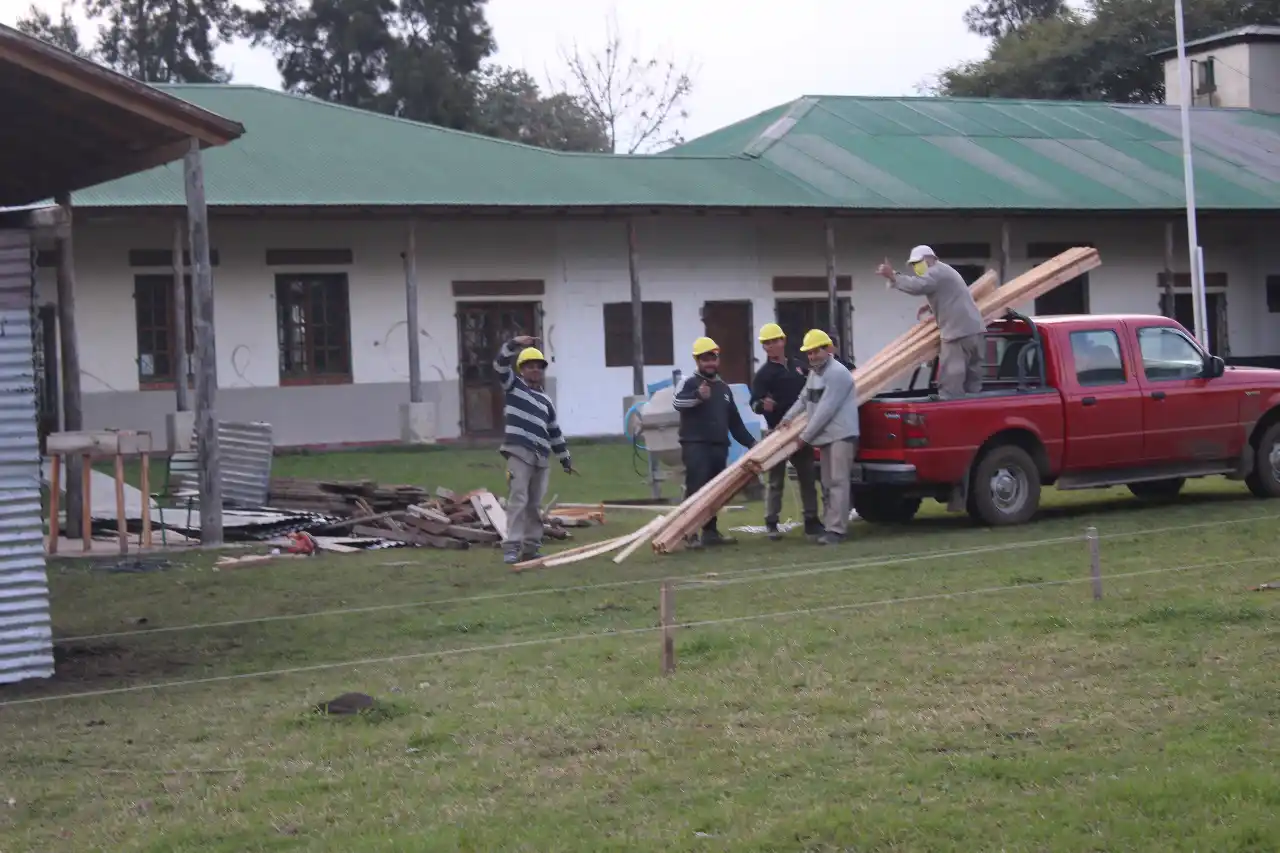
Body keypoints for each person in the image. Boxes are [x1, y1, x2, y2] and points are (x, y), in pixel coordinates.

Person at [493, 335, 573, 564]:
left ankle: (531, 547)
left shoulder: (546, 400)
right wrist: (514, 343)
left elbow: (554, 431)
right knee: (518, 499)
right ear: (521, 369)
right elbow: (499, 364)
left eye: (539, 367)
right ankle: (511, 547)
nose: (535, 370)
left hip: (542, 458)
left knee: (534, 504)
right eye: (530, 367)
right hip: (519, 452)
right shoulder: (513, 386)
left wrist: (565, 459)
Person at [673, 336, 757, 547]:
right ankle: (689, 534)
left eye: (713, 359)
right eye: (704, 359)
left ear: (718, 360)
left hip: (719, 447)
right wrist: (698, 396)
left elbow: (735, 423)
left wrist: (752, 443)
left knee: (715, 492)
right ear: (697, 361)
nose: (709, 363)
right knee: (696, 489)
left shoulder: (723, 388)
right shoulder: (689, 382)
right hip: (696, 446)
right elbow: (677, 403)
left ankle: (710, 533)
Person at [780, 329, 860, 545]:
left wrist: (804, 437)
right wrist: (787, 418)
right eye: (810, 353)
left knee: (838, 482)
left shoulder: (838, 373)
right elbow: (805, 398)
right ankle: (830, 526)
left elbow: (826, 409)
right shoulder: (815, 373)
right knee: (827, 482)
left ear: (829, 349)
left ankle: (837, 530)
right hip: (826, 436)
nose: (813, 357)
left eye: (817, 352)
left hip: (841, 435)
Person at [878, 245, 986, 399]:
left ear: (931, 259)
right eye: (913, 265)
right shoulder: (945, 271)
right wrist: (930, 306)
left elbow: (918, 286)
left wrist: (893, 276)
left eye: (918, 263)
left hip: (957, 332)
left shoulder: (936, 272)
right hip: (974, 329)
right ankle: (974, 405)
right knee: (972, 378)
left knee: (952, 376)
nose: (916, 267)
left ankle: (950, 409)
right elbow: (951, 295)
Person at [749, 322, 821, 541]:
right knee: (776, 480)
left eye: (775, 341)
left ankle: (811, 520)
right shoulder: (763, 374)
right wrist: (763, 406)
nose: (772, 346)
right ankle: (772, 522)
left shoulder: (800, 366)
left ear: (783, 341)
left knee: (807, 477)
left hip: (801, 431)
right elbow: (753, 404)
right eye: (767, 343)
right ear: (764, 347)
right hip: (776, 432)